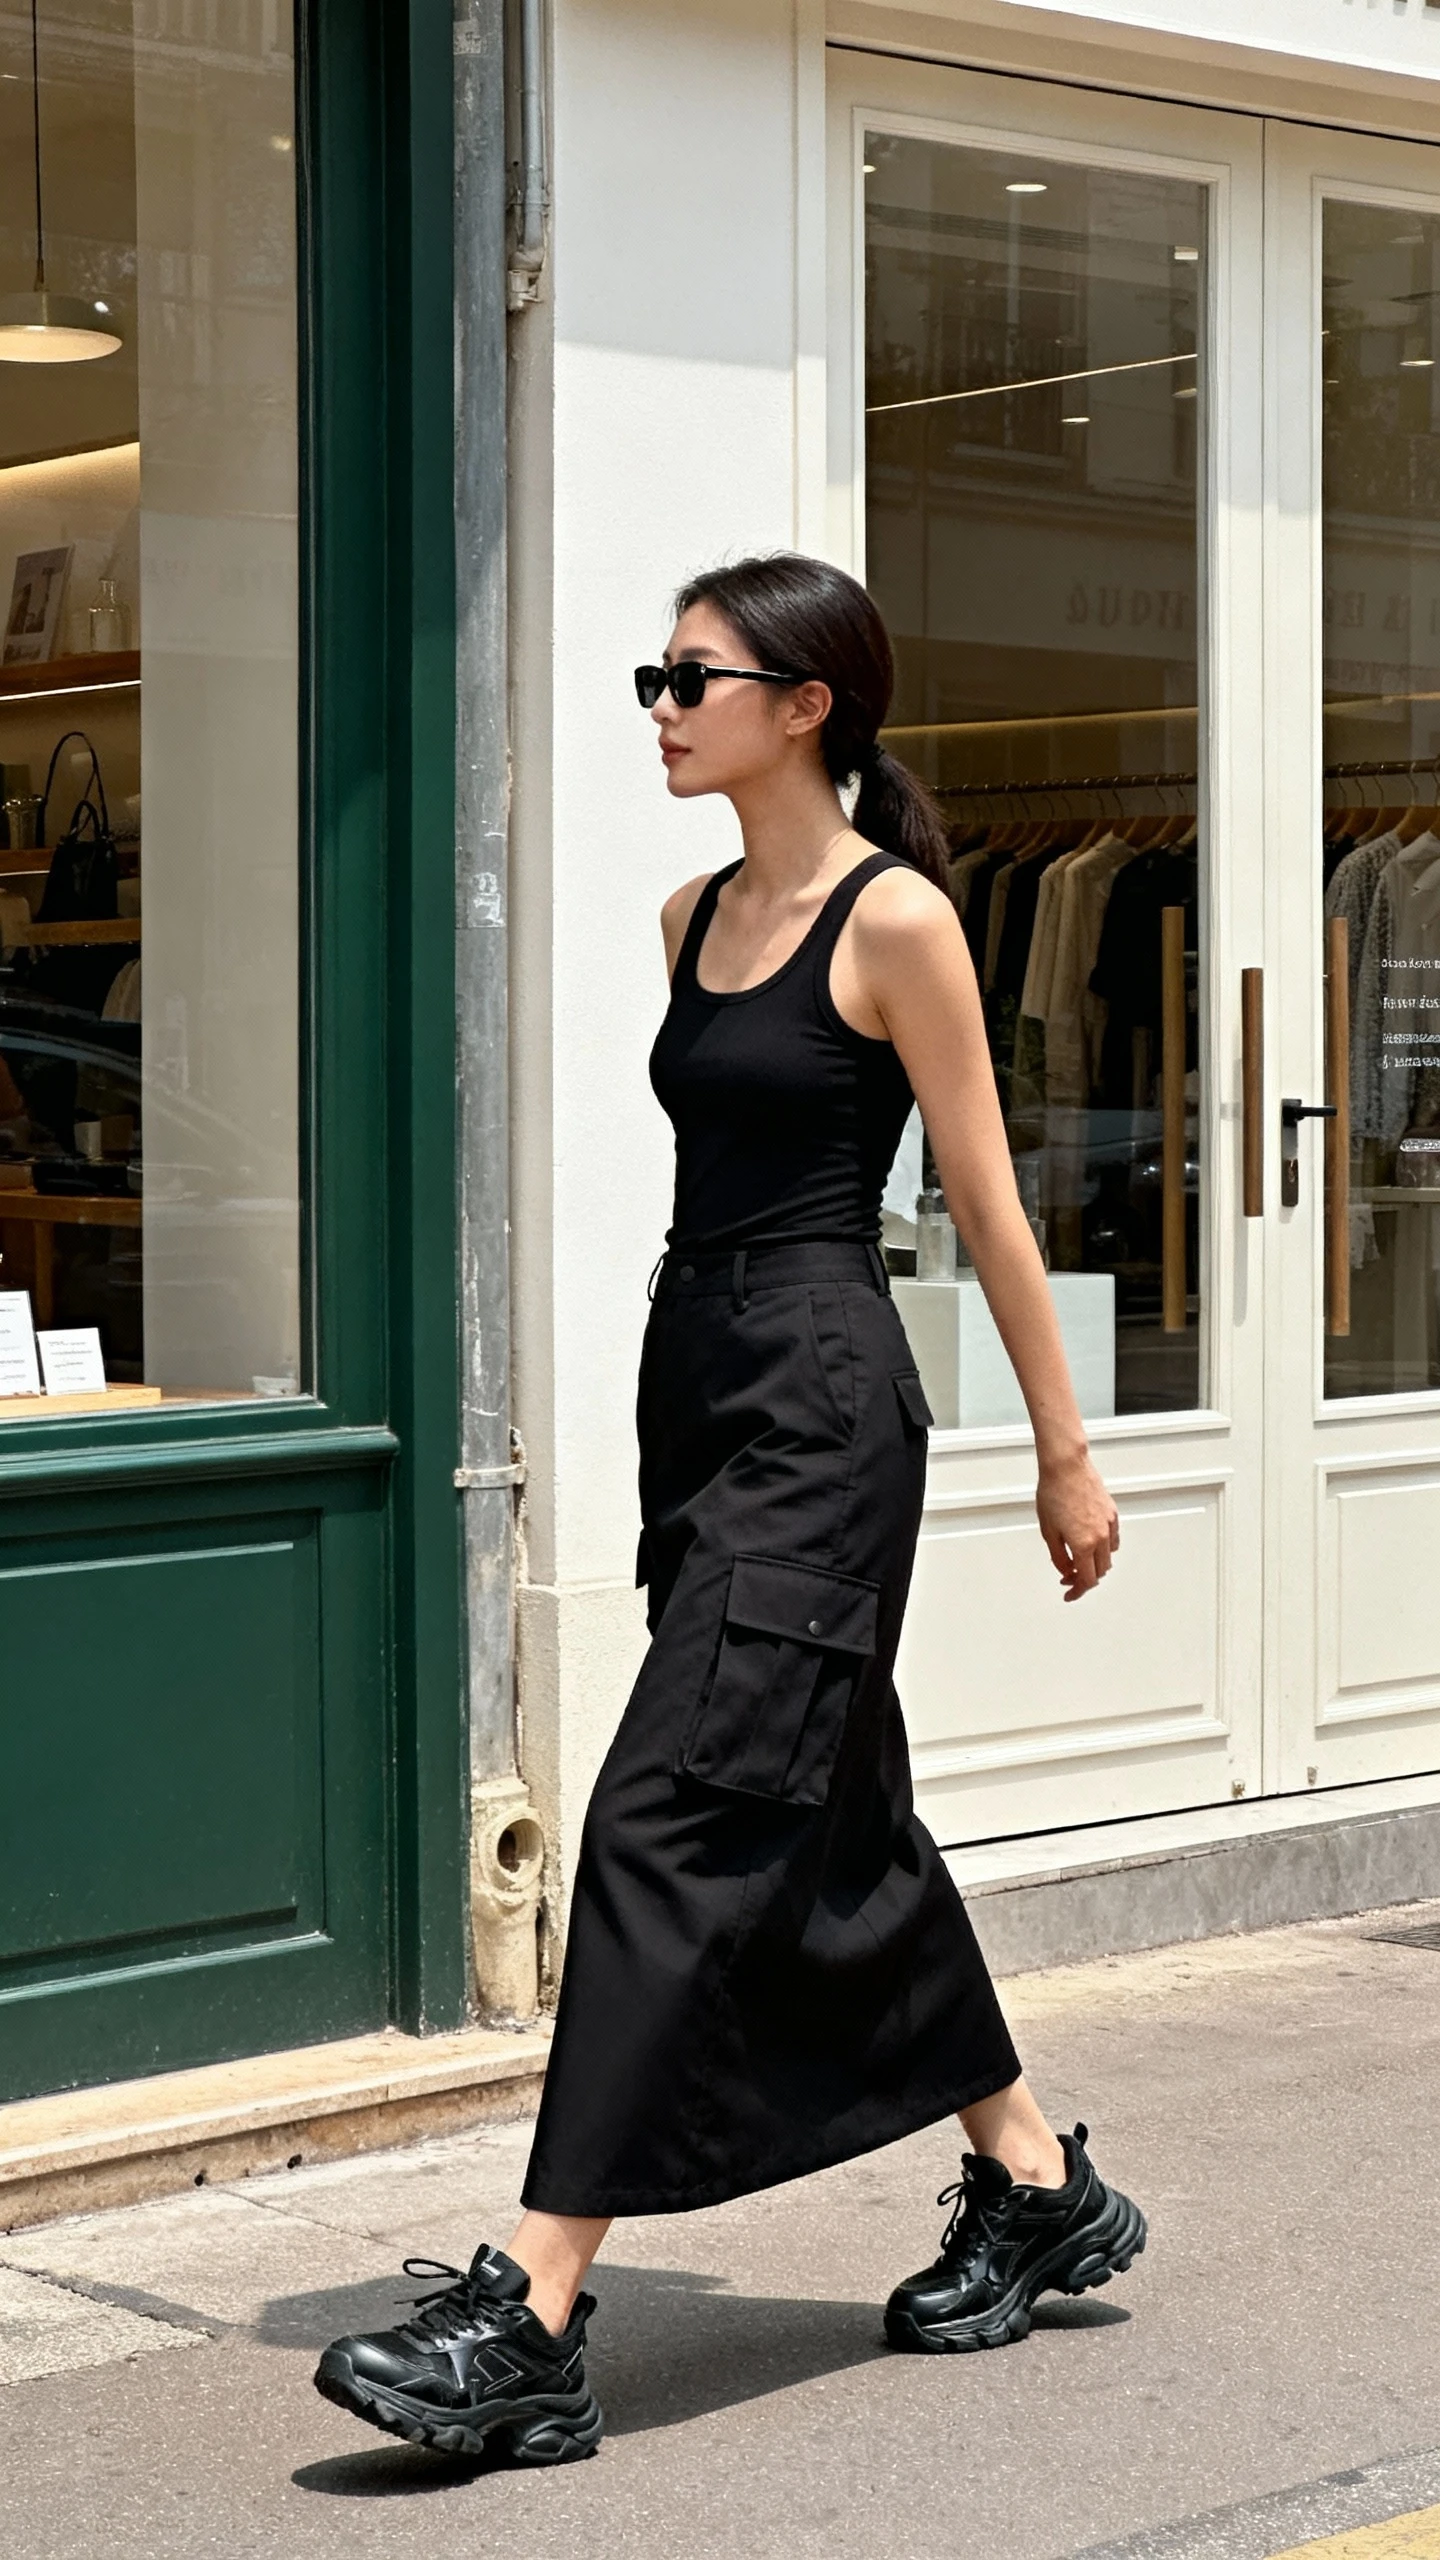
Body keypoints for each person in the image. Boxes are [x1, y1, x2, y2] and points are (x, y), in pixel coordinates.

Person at [315, 553, 1144, 2467]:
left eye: (691, 677)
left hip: (826, 1412)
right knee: (835, 1811)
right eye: (653, 678)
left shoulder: (903, 920)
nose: (663, 708)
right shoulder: (690, 913)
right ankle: (1034, 2185)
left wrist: (1067, 1448)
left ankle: (529, 2315)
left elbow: (991, 1202)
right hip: (696, 1392)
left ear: (805, 704)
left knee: (668, 1812)